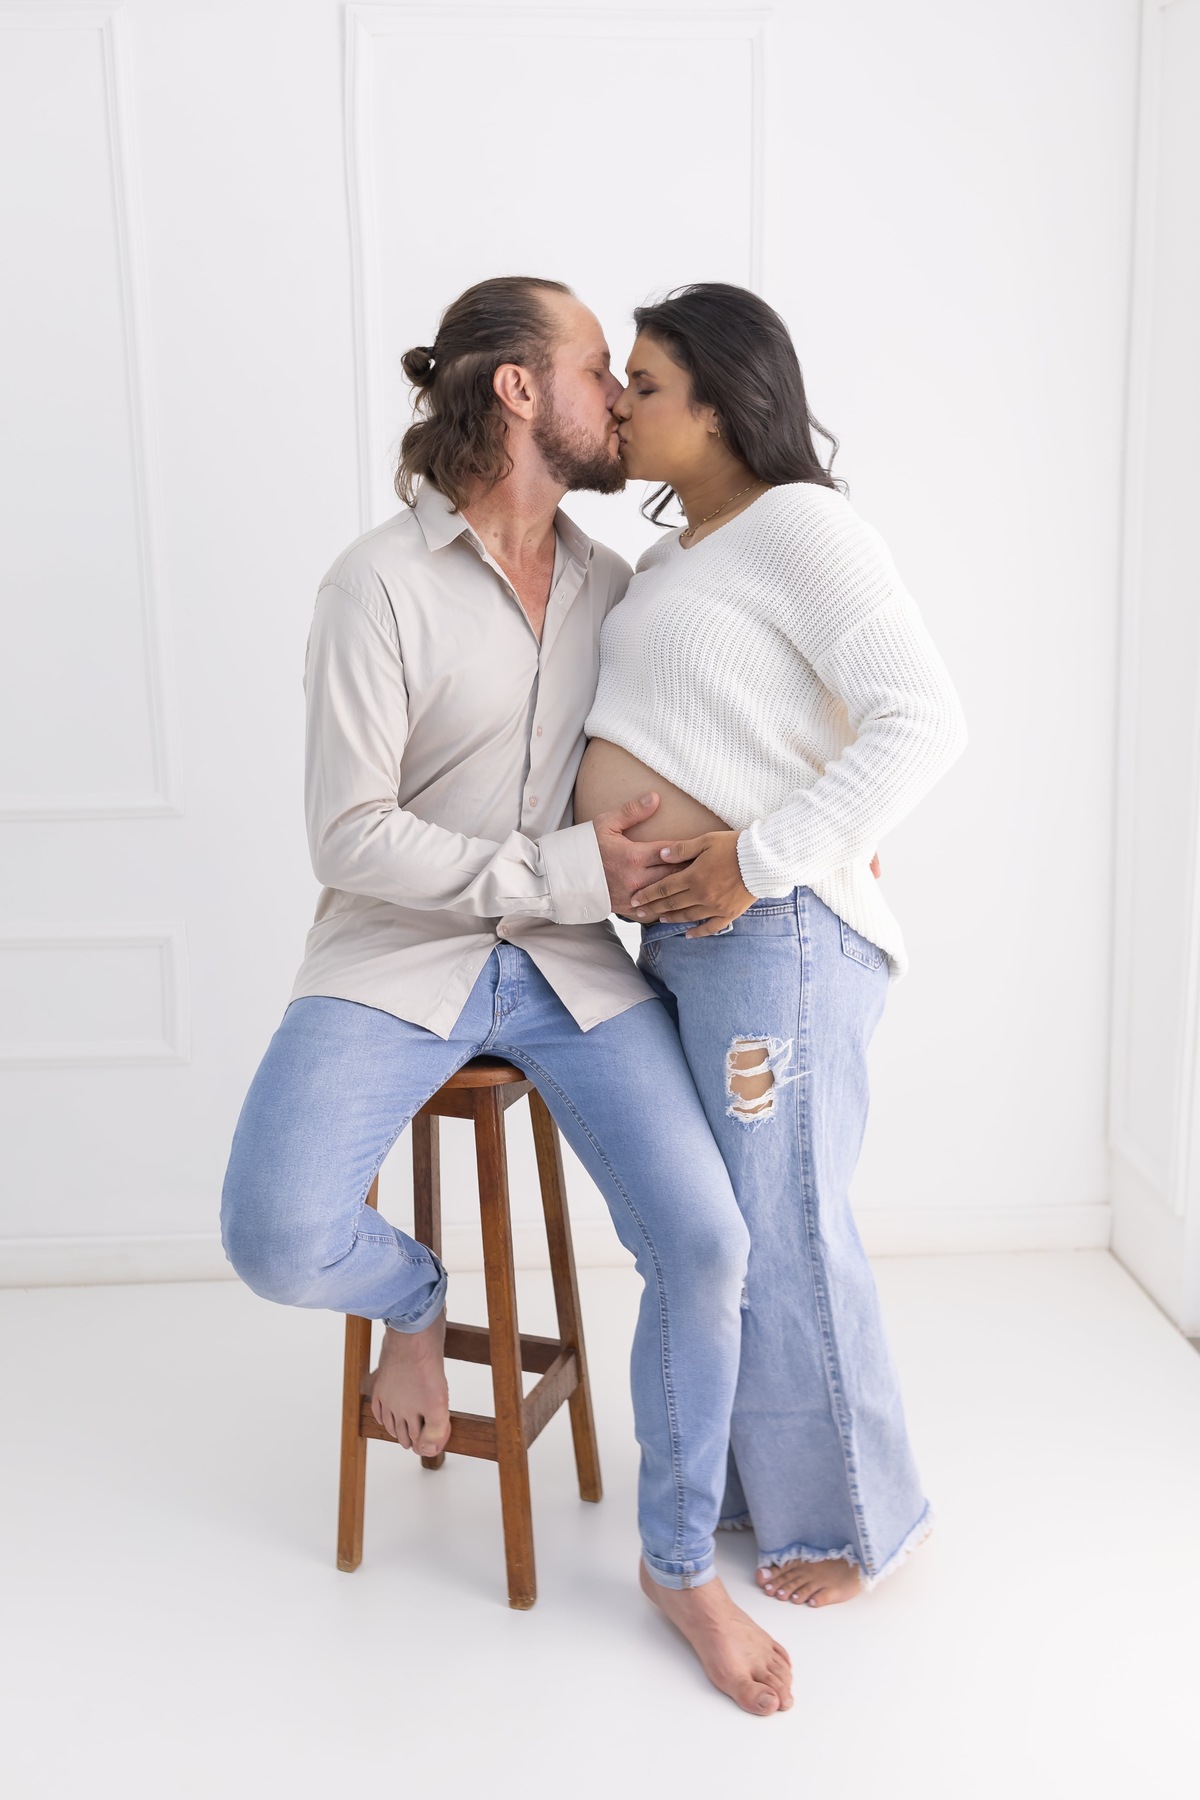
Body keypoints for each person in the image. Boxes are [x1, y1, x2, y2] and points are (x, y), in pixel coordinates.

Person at [220, 276, 793, 1715]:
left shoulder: (619, 584)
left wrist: (818, 818)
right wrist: (557, 867)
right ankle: (416, 1297)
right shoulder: (378, 586)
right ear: (520, 391)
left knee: (707, 1242)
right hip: (395, 953)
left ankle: (676, 1566)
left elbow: (734, 710)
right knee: (276, 1233)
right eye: (600, 368)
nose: (622, 395)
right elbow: (346, 834)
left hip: (578, 969)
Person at [574, 282, 967, 1609]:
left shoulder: (801, 526)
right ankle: (747, 1487)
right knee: (720, 1231)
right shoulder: (674, 561)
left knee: (786, 1224)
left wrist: (760, 855)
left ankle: (853, 1520)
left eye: (643, 382)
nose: (621, 403)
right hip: (688, 946)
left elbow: (922, 722)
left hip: (779, 936)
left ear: (723, 404)